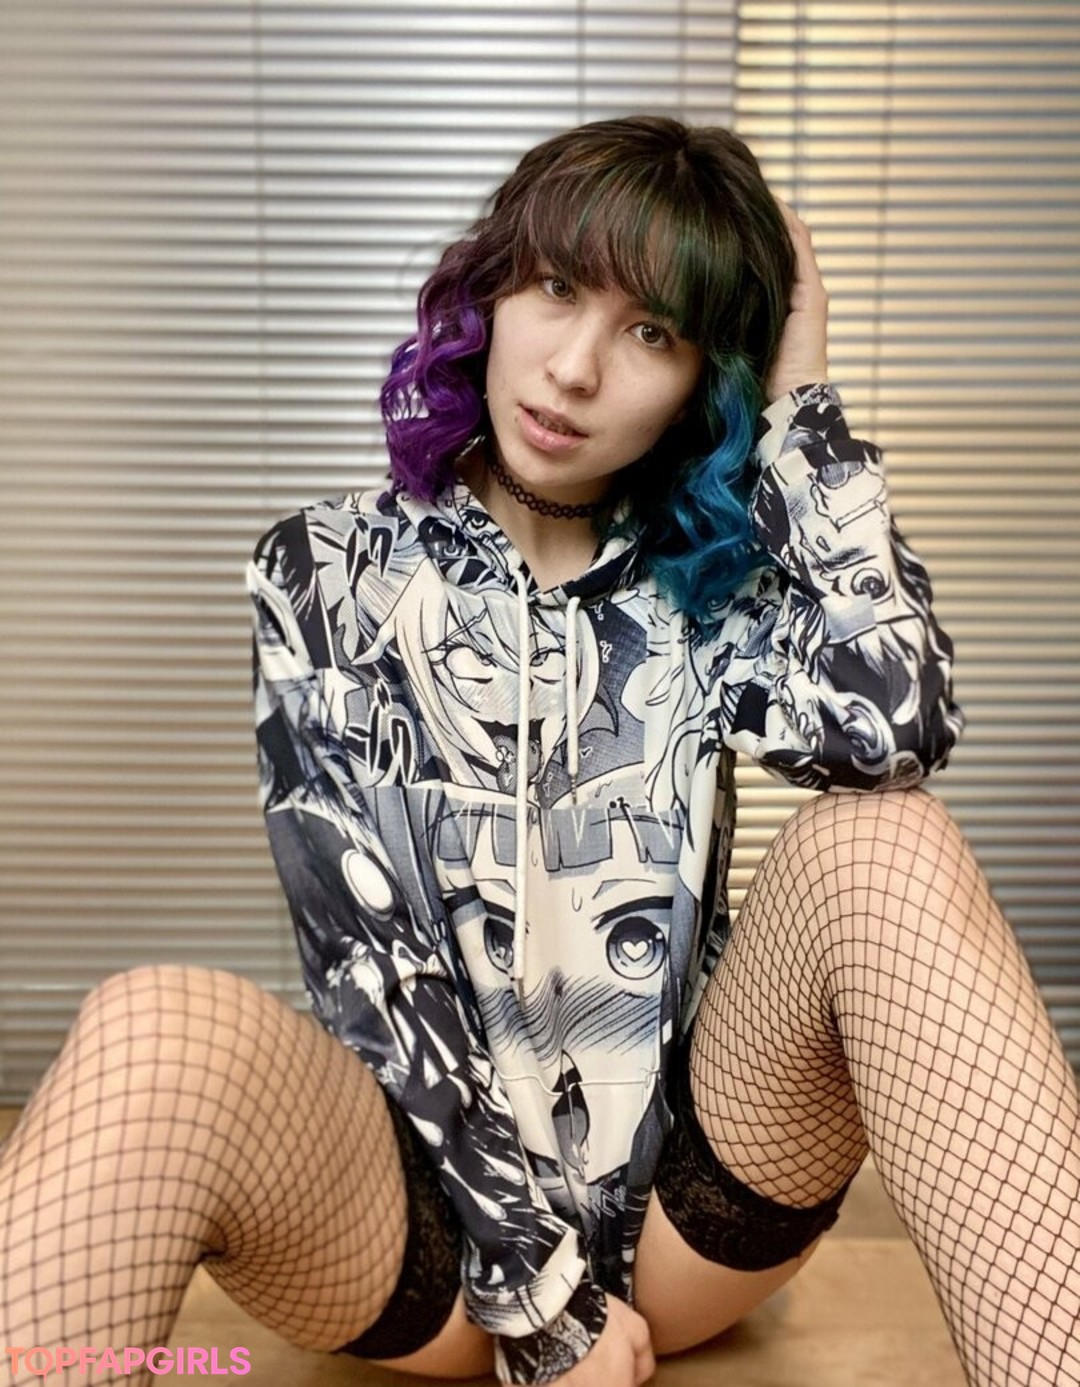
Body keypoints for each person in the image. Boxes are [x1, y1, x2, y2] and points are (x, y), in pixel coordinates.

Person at [0, 115, 1077, 1387]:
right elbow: (367, 958)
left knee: (884, 841)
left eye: (652, 332)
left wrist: (804, 403)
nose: (572, 369)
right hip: (423, 1233)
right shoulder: (325, 574)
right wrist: (542, 1296)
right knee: (150, 1026)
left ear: (705, 382)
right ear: (495, 286)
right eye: (560, 288)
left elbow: (895, 723)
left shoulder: (714, 594)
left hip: (685, 1216)